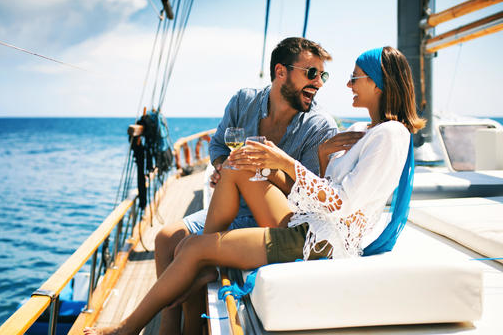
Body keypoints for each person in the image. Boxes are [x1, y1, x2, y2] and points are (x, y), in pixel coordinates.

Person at [84, 46, 425, 335]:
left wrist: (284, 162)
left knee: (190, 248)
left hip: (321, 242)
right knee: (240, 162)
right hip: (308, 221)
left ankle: (125, 330)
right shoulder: (364, 129)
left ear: (378, 83)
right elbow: (323, 189)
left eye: (355, 77)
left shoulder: (392, 134)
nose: (346, 84)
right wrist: (318, 157)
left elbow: (342, 202)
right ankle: (204, 259)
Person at [154, 37, 340, 334]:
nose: (319, 83)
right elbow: (218, 146)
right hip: (232, 206)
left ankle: (188, 318)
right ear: (281, 71)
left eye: (323, 75)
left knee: (187, 253)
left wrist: (265, 169)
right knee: (166, 238)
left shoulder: (320, 126)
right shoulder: (244, 100)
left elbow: (308, 195)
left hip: (270, 217)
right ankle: (168, 325)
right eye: (311, 73)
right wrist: (221, 169)